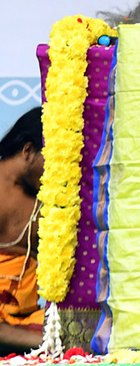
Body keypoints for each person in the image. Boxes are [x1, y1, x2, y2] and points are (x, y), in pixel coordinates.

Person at [0, 108, 44, 353]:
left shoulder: (47, 199)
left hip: (27, 320)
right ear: (28, 150)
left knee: (79, 327)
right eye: (52, 161)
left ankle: (43, 341)